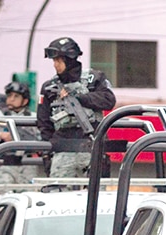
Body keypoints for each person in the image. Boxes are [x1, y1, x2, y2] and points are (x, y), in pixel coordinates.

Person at [37, 36, 115, 178]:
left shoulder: (94, 78)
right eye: (54, 61)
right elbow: (43, 121)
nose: (55, 65)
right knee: (57, 189)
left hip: (92, 146)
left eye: (58, 60)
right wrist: (47, 151)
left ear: (70, 60)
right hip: (62, 149)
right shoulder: (49, 87)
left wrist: (79, 97)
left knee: (96, 190)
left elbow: (108, 100)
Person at [0, 81, 43, 184]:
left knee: (29, 190)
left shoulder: (34, 118)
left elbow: (42, 138)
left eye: (16, 96)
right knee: (5, 188)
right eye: (9, 95)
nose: (11, 99)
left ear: (25, 101)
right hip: (3, 163)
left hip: (28, 163)